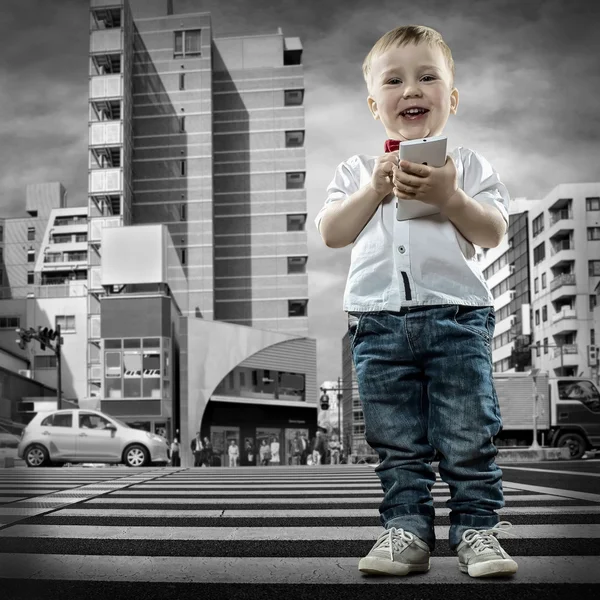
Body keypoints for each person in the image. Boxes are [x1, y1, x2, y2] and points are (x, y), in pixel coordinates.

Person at [315, 25, 517, 579]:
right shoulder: (357, 171)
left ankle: (478, 528)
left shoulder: (469, 166)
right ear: (374, 103)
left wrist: (449, 196)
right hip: (378, 323)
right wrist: (374, 191)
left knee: (467, 430)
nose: (411, 90)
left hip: (456, 317)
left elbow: (492, 231)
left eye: (428, 77)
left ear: (450, 98)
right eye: (395, 80)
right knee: (395, 436)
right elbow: (333, 232)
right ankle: (407, 527)